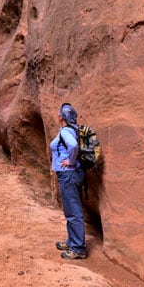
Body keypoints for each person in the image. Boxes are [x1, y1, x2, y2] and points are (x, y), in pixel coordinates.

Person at [50, 102, 87, 259]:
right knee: (70, 210)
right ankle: (72, 241)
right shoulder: (72, 129)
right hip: (72, 174)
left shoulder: (66, 131)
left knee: (73, 212)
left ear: (62, 117)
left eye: (59, 114)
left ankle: (78, 248)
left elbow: (72, 146)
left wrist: (70, 162)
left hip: (68, 174)